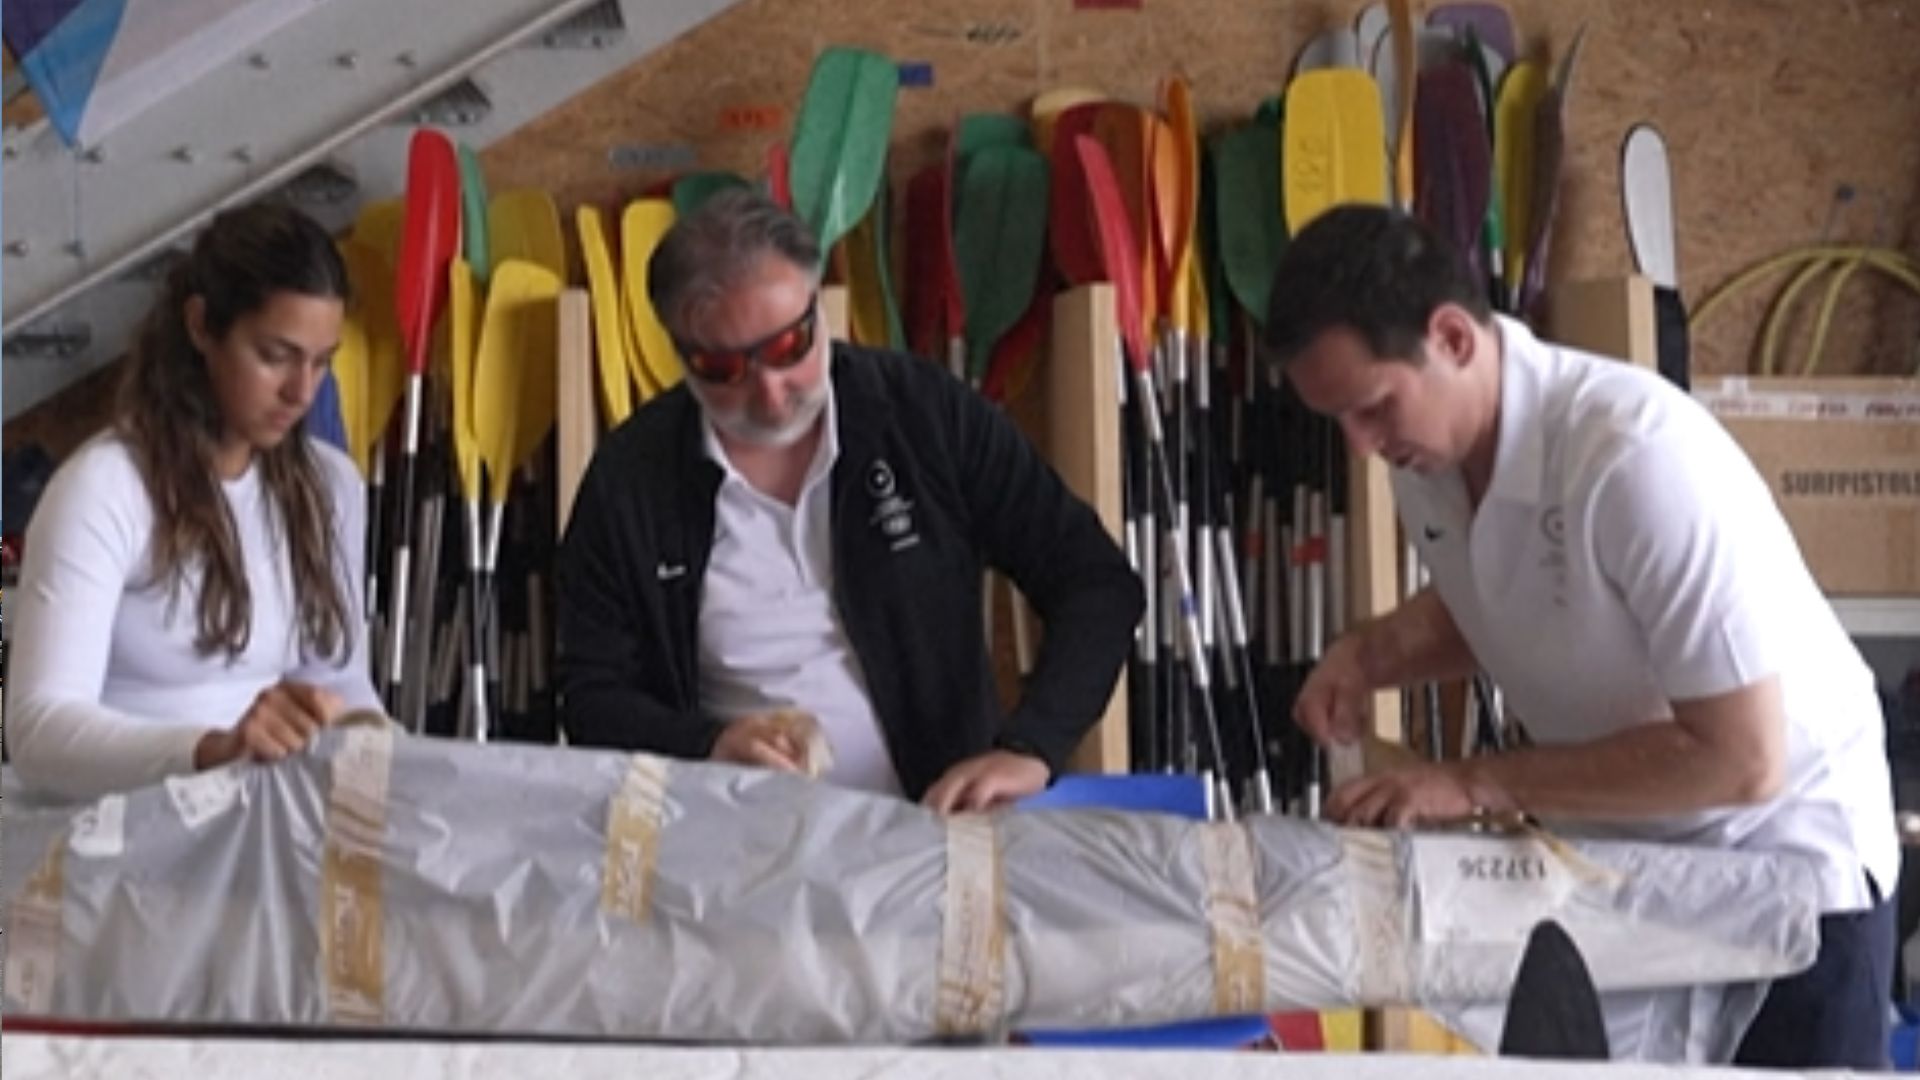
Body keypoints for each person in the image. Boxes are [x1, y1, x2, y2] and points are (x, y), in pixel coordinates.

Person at [1267, 205, 1898, 1069]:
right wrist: (1369, 656)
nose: (1363, 445)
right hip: (1630, 870)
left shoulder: (1633, 459)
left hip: (1784, 881)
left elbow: (1742, 761)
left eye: (1373, 409)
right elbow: (1501, 590)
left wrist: (1477, 782)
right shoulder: (1430, 459)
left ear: (1452, 337)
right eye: (1340, 420)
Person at [555, 188, 1142, 813]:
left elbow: (1096, 582)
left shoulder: (924, 415)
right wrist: (707, 746)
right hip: (734, 846)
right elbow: (591, 696)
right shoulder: (630, 481)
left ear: (820, 310)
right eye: (726, 371)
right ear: (680, 357)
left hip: (936, 828)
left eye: (790, 349)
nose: (773, 395)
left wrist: (1033, 744)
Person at [6, 202, 380, 801]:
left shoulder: (328, 487)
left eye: (321, 363)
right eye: (275, 356)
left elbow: (337, 684)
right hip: (111, 842)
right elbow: (38, 730)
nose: (301, 392)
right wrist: (212, 750)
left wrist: (386, 758)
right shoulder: (106, 489)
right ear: (202, 326)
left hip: (258, 829)